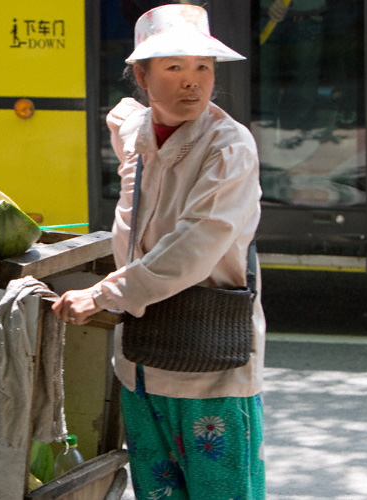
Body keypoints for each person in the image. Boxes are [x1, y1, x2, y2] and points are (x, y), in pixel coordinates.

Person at [51, 5, 266, 499]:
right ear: (143, 77)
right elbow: (124, 122)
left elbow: (195, 246)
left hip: (211, 364)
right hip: (143, 363)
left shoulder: (229, 148)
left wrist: (104, 293)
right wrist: (124, 124)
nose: (192, 82)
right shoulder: (140, 134)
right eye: (174, 68)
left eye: (203, 68)